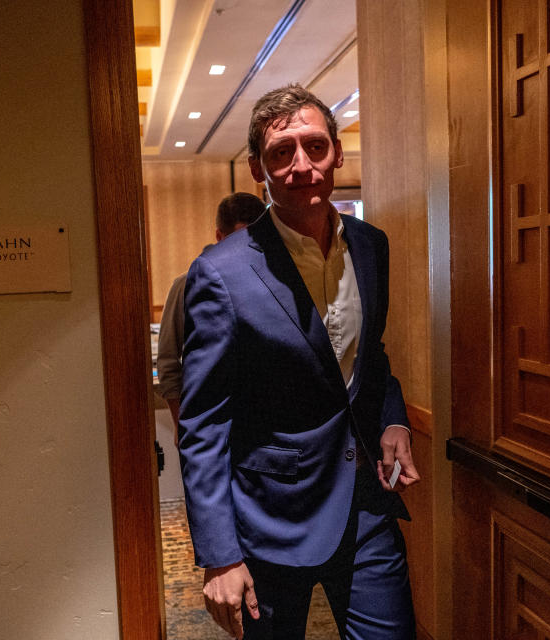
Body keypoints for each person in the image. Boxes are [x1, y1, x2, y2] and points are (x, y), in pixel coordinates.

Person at [178, 84, 420, 640]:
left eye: (314, 146)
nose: (300, 165)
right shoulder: (221, 272)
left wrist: (394, 416)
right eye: (281, 152)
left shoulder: (370, 245)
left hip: (365, 506)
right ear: (257, 169)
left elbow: (371, 355)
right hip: (269, 522)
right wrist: (219, 556)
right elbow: (204, 424)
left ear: (337, 151)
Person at [156, 192, 266, 426]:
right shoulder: (187, 285)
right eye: (238, 242)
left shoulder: (277, 285)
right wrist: (180, 425)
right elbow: (168, 362)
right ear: (219, 237)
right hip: (206, 422)